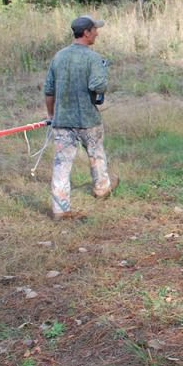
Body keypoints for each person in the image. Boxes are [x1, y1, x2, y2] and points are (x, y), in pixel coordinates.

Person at [44, 15, 118, 220]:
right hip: (87, 119)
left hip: (62, 120)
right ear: (86, 33)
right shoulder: (94, 59)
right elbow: (98, 87)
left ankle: (60, 209)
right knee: (96, 155)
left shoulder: (58, 57)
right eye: (95, 29)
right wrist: (102, 72)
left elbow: (49, 90)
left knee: (61, 164)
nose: (97, 32)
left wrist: (51, 115)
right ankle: (102, 189)